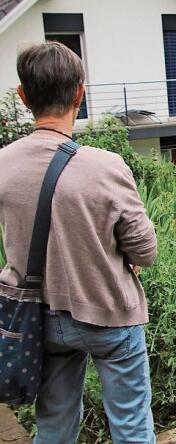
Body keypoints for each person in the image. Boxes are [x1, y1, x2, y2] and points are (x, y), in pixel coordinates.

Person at [0, 42, 157, 443]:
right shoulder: (105, 166)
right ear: (79, 94)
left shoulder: (3, 165)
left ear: (23, 96)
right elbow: (145, 252)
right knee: (132, 427)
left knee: (53, 427)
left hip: (39, 319)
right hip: (109, 315)